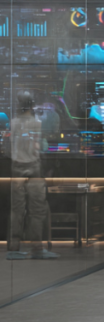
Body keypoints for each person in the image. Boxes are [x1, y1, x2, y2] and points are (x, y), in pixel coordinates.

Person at [7, 92, 57, 260]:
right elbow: (38, 146)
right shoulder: (36, 123)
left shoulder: (13, 123)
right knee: (37, 209)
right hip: (33, 167)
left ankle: (14, 248)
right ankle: (37, 248)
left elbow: (9, 148)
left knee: (17, 209)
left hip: (16, 168)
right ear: (31, 104)